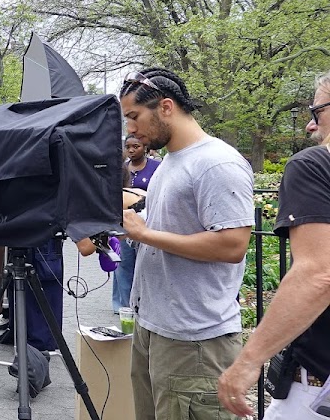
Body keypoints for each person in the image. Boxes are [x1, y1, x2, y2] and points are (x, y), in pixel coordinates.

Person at [119, 67, 254, 420]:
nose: (130, 128)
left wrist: (145, 234)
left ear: (166, 107)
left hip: (194, 340)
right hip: (154, 328)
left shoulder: (216, 163)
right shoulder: (170, 163)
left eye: (134, 116)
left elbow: (232, 245)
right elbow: (165, 231)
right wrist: (130, 229)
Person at [218, 70, 330, 418]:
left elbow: (318, 275)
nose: (310, 126)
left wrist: (248, 361)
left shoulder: (314, 165)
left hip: (318, 383)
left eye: (316, 111)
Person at [112, 134, 160, 313]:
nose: (131, 150)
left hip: (146, 224)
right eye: (128, 147)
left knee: (143, 265)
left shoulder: (156, 167)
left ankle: (142, 305)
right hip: (123, 224)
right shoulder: (123, 168)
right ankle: (125, 307)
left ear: (145, 147)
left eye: (136, 146)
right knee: (123, 265)